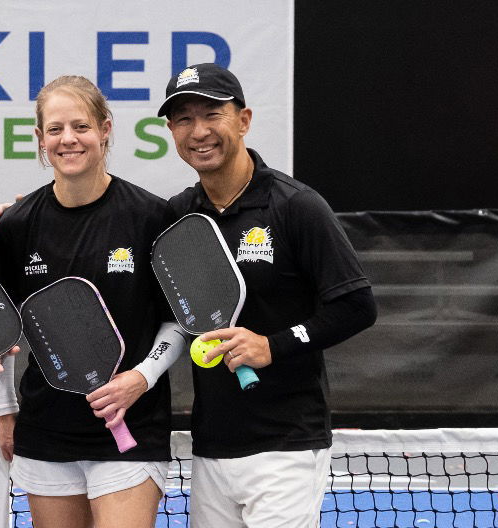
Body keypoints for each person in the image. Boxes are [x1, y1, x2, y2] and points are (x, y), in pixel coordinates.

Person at [157, 62, 378, 527]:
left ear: (244, 119)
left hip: (287, 445)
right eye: (183, 119)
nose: (199, 131)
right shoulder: (177, 215)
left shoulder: (296, 206)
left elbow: (356, 306)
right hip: (213, 446)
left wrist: (271, 346)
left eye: (212, 113)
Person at [0, 76, 181, 528]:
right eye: (55, 129)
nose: (68, 139)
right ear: (39, 139)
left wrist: (140, 377)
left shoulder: (150, 216)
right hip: (46, 430)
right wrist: (4, 412)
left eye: (81, 126)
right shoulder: (16, 225)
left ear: (106, 129)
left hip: (132, 426)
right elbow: (2, 333)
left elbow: (177, 321)